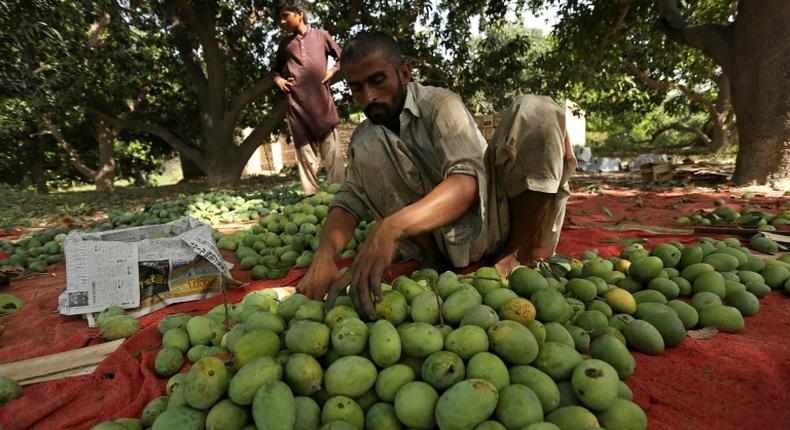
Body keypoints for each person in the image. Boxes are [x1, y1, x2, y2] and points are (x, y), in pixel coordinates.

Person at [296, 31, 576, 319]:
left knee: (537, 111)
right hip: (439, 240)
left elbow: (466, 180)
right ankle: (434, 260)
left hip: (494, 220)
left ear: (404, 73)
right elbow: (350, 198)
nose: (368, 97)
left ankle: (517, 254)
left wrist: (392, 228)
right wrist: (325, 255)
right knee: (366, 143)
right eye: (356, 88)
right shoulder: (367, 135)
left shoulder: (441, 105)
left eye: (377, 81)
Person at [270, 0, 345, 196]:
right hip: (297, 108)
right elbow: (274, 71)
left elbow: (342, 57)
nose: (282, 21)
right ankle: (311, 199)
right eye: (280, 18)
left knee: (334, 159)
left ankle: (344, 200)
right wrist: (278, 80)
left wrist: (332, 71)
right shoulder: (285, 45)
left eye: (285, 16)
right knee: (306, 157)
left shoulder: (321, 36)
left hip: (323, 107)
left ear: (299, 14)